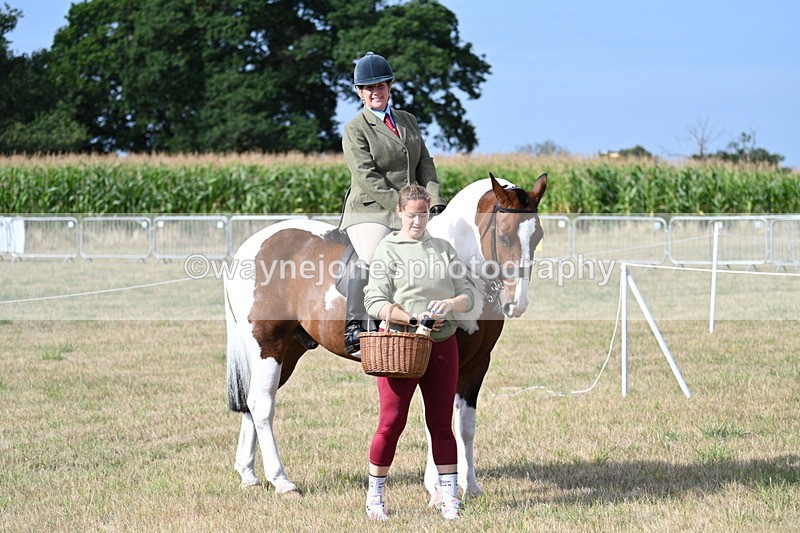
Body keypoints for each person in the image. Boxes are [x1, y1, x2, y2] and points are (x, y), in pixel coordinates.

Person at [362, 185, 474, 521]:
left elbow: (466, 293)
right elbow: (374, 301)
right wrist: (411, 319)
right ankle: (375, 496)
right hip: (401, 345)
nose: (417, 220)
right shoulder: (388, 249)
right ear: (400, 213)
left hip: (442, 343)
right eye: (411, 214)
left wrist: (451, 305)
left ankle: (449, 497)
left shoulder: (443, 249)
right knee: (391, 422)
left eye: (423, 214)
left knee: (441, 423)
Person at [340, 51, 447, 357]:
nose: (376, 91)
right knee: (374, 259)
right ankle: (355, 327)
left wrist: (434, 200)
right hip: (370, 209)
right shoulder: (355, 128)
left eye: (381, 85)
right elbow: (365, 176)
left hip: (413, 208)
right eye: (369, 87)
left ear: (390, 86)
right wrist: (402, 209)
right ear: (360, 92)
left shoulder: (408, 121)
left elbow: (425, 163)